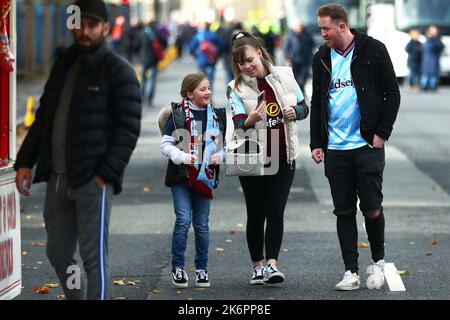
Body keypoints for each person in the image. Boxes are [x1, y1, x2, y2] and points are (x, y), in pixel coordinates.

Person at [14, 0, 142, 300]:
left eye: (92, 25)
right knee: (58, 254)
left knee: (93, 258)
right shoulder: (64, 64)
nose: (84, 31)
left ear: (105, 29)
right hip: (57, 178)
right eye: (79, 24)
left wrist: (105, 175)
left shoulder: (118, 71)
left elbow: (128, 129)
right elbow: (44, 115)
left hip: (91, 180)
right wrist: (25, 161)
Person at [310, 3, 400, 291]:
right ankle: (350, 271)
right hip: (336, 149)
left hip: (367, 145)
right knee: (344, 210)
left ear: (341, 26)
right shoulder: (321, 57)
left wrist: (381, 133)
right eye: (320, 28)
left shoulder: (373, 50)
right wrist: (316, 142)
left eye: (326, 28)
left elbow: (392, 94)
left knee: (372, 208)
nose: (322, 33)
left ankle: (378, 261)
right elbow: (317, 102)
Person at [227, 31, 309, 285]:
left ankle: (272, 264)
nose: (247, 66)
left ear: (260, 53)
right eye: (241, 63)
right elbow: (238, 124)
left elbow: (305, 106)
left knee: (275, 210)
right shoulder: (236, 89)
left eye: (250, 59)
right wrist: (250, 119)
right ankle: (257, 267)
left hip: (283, 155)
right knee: (256, 213)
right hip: (253, 157)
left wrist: (295, 111)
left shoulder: (286, 76)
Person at [159, 73, 227, 288]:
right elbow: (165, 144)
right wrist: (182, 157)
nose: (207, 92)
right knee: (182, 220)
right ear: (189, 93)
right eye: (202, 89)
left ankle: (201, 269)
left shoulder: (216, 115)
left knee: (202, 225)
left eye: (208, 88)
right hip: (181, 177)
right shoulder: (178, 115)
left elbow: (227, 146)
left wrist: (221, 156)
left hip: (205, 178)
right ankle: (178, 268)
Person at [189, 22, 224, 91]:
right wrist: (217, 56)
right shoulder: (214, 35)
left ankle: (202, 97)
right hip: (211, 60)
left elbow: (191, 48)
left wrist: (196, 56)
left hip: (201, 60)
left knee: (200, 79)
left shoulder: (198, 35)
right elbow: (221, 46)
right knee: (209, 80)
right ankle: (208, 97)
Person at [284, 19, 315, 93]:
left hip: (305, 61)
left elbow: (312, 44)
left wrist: (310, 53)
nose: (299, 28)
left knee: (303, 79)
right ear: (294, 27)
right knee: (295, 80)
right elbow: (286, 47)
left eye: (301, 26)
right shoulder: (290, 35)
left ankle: (302, 93)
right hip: (294, 61)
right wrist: (287, 58)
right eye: (298, 26)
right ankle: (298, 95)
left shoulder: (307, 34)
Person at [420, 25, 444, 91]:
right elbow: (424, 48)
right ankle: (424, 86)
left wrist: (435, 39)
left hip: (434, 60)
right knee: (426, 74)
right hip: (426, 60)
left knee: (433, 75)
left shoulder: (438, 40)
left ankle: (432, 86)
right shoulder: (426, 39)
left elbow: (441, 47)